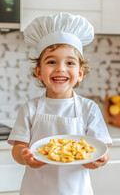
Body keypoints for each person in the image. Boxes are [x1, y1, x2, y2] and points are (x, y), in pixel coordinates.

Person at [8, 12, 112, 195]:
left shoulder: (90, 109)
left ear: (80, 74)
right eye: (52, 61)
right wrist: (23, 156)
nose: (60, 68)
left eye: (70, 62)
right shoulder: (30, 108)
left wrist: (101, 159)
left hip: (77, 190)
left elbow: (101, 147)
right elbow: (18, 147)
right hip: (36, 189)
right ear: (39, 72)